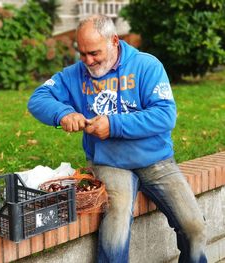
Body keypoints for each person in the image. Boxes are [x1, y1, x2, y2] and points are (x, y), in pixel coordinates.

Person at [27, 14, 207, 263]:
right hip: (109, 162)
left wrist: (113, 125)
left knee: (195, 227)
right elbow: (37, 99)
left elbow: (165, 116)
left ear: (114, 41)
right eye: (82, 53)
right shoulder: (75, 74)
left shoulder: (147, 65)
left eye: (94, 53)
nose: (87, 61)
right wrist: (63, 113)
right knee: (116, 224)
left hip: (156, 160)